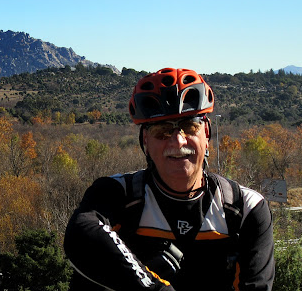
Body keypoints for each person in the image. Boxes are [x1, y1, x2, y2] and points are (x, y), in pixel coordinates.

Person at [64, 67, 274, 291]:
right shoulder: (115, 193)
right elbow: (82, 233)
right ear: (145, 141)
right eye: (162, 131)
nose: (178, 141)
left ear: (207, 135)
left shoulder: (246, 209)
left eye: (189, 126)